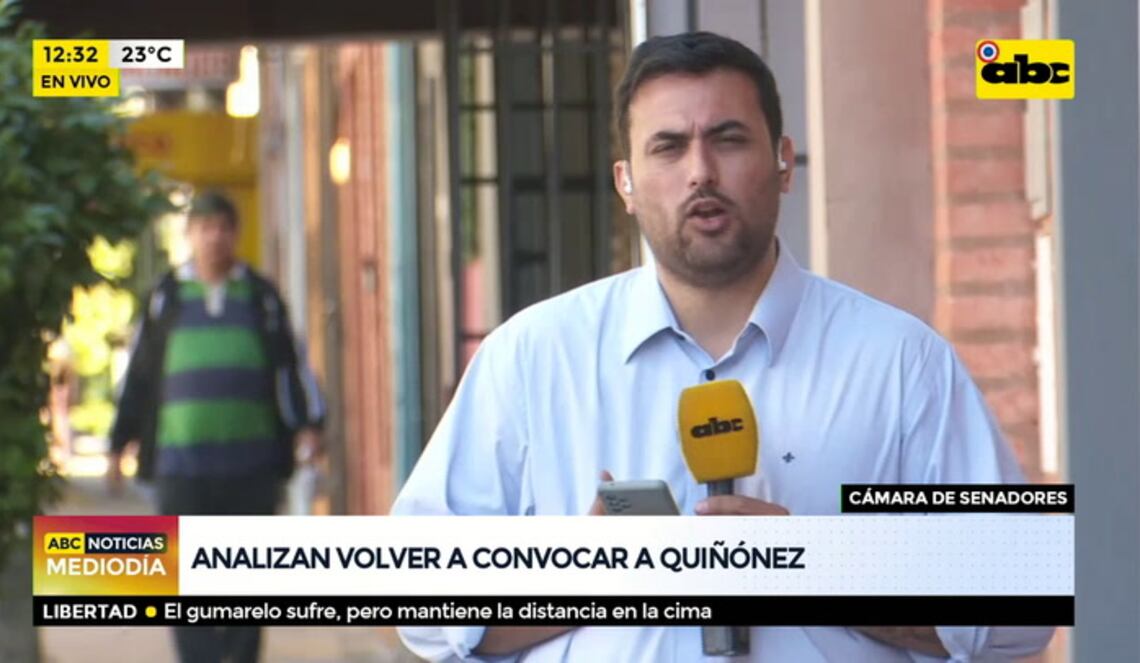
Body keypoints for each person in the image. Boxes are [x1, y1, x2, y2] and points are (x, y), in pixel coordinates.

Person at [392, 32, 1054, 661]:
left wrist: (815, 570)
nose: (701, 172)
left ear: (783, 161)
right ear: (625, 182)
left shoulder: (901, 363)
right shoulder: (532, 358)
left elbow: (1025, 599)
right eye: (668, 147)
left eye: (728, 139)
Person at [108, 190, 325, 663]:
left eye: (224, 227)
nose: (215, 237)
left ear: (236, 234)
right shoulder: (165, 297)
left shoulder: (261, 297)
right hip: (180, 468)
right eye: (205, 228)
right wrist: (118, 444)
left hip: (251, 468)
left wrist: (308, 426)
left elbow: (291, 366)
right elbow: (140, 375)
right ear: (190, 235)